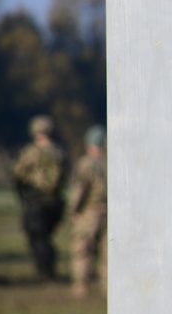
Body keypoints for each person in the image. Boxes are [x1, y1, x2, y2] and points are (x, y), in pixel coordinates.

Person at [12, 115, 68, 281]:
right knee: (45, 237)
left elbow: (17, 173)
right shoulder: (59, 152)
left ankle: (45, 272)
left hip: (36, 201)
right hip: (55, 203)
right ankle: (48, 269)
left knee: (37, 237)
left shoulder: (31, 152)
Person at [67, 124, 108, 298]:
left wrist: (74, 210)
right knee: (107, 253)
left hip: (89, 213)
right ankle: (107, 287)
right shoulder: (110, 162)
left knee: (82, 250)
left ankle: (80, 287)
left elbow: (80, 190)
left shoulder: (85, 164)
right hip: (109, 213)